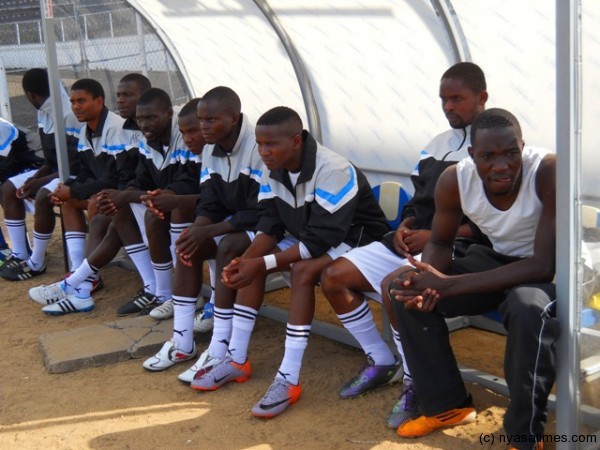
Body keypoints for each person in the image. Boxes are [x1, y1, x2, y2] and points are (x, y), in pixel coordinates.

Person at [189, 106, 390, 419]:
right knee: (251, 262)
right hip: (311, 236)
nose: (263, 152)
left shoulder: (332, 168)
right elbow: (270, 222)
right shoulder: (274, 167)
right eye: (259, 144)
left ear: (296, 141)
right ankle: (236, 359)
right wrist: (249, 260)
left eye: (271, 145)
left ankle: (288, 377)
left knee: (302, 269)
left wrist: (262, 263)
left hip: (357, 240)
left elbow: (319, 240)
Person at [320, 61, 489, 428]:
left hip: (455, 248)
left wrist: (438, 237)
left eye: (457, 99)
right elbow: (419, 201)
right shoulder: (434, 147)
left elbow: (491, 227)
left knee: (395, 287)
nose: (448, 107)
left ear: (481, 98)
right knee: (332, 275)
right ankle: (382, 360)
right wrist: (406, 226)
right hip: (414, 241)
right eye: (443, 100)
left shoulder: (495, 146)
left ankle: (417, 382)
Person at [385, 108, 556, 449]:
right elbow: (440, 242)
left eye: (511, 153)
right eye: (487, 156)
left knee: (526, 307)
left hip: (549, 274)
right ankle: (447, 405)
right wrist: (429, 280)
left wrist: (450, 284)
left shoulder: (548, 171)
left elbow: (541, 265)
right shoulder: (454, 179)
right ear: (471, 155)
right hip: (494, 260)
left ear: (522, 146)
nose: (502, 165)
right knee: (403, 288)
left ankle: (525, 434)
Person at [28, 89, 200, 315]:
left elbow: (188, 183)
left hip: (192, 207)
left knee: (132, 208)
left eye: (150, 117)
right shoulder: (148, 137)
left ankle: (80, 283)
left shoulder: (183, 135)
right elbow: (138, 178)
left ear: (169, 113)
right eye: (141, 118)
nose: (144, 123)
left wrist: (124, 194)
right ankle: (146, 289)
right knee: (112, 206)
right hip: (162, 202)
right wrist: (121, 195)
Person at [142, 86, 262, 377]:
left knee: (228, 245)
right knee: (188, 247)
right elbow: (210, 200)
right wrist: (196, 232)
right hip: (239, 221)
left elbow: (264, 210)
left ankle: (219, 347)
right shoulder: (211, 149)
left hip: (272, 227)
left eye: (210, 120)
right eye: (202, 120)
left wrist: (210, 231)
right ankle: (182, 342)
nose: (204, 127)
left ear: (234, 118)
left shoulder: (260, 146)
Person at [2, 78, 129, 282]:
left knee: (81, 199)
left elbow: (110, 178)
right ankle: (76, 270)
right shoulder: (85, 127)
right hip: (93, 183)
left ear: (99, 101)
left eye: (81, 101)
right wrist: (65, 188)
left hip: (120, 194)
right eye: (73, 101)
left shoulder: (112, 127)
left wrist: (71, 189)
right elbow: (81, 168)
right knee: (62, 199)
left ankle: (86, 278)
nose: (76, 107)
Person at [0, 68, 80, 275]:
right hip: (54, 170)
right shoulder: (43, 110)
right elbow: (51, 159)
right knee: (9, 188)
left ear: (30, 95)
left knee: (44, 194)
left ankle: (37, 261)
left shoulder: (68, 113)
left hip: (77, 172)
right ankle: (20, 254)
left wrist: (40, 181)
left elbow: (73, 164)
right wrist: (35, 178)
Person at [0, 116, 43, 267]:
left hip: (40, 166)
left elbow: (5, 166)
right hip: (20, 168)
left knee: (5, 187)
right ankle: (10, 249)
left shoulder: (1, 126)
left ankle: (17, 252)